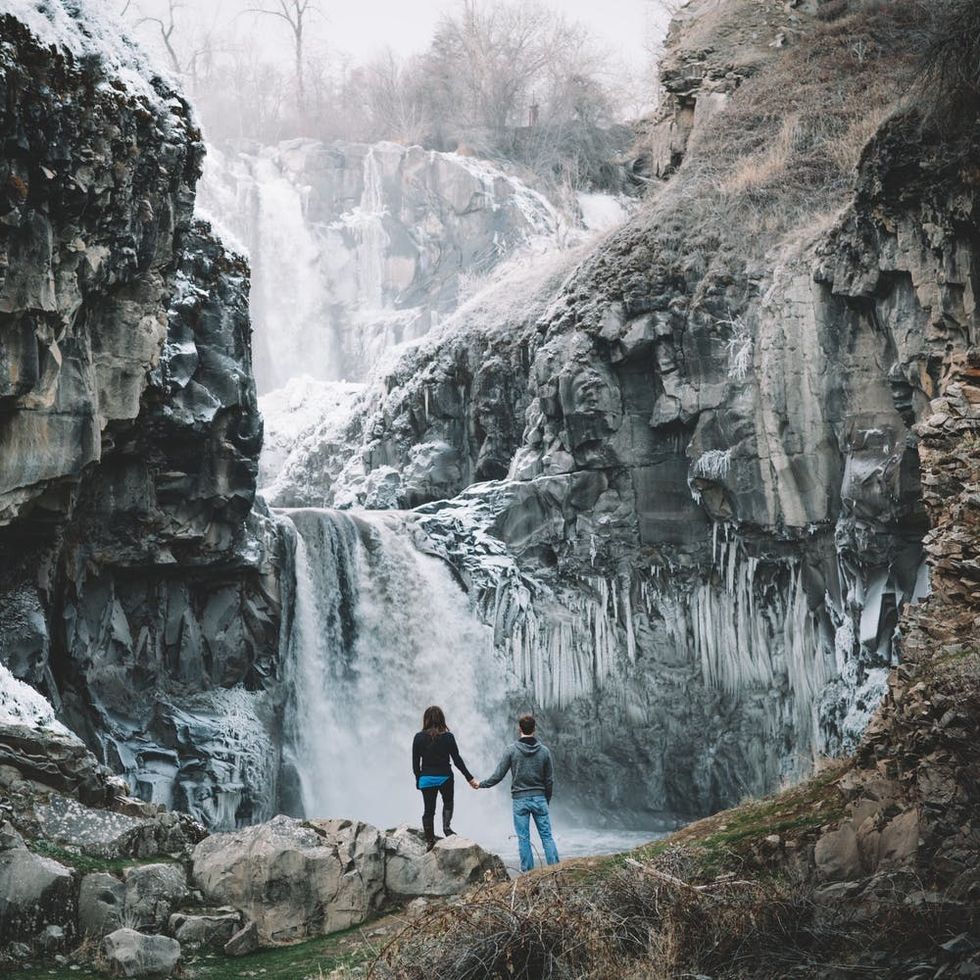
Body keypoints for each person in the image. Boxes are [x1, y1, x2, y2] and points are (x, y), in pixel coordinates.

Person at [473, 713, 559, 872]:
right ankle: (555, 869)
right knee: (546, 836)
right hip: (540, 798)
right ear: (535, 729)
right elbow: (549, 780)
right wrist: (546, 799)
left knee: (523, 839)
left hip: (520, 800)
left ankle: (528, 873)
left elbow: (498, 776)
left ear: (519, 728)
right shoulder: (545, 752)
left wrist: (481, 784)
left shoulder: (511, 750)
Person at [412, 705, 477, 851]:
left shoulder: (418, 737)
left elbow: (415, 764)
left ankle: (430, 840)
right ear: (442, 719)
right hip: (445, 777)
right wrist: (469, 778)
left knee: (428, 810)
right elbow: (457, 760)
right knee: (448, 803)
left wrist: (418, 780)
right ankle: (447, 828)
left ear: (426, 720)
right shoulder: (448, 737)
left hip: (426, 779)